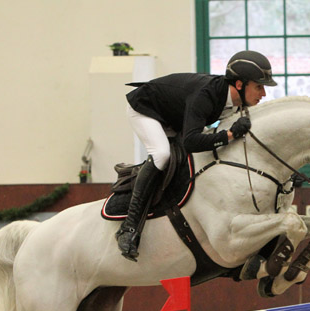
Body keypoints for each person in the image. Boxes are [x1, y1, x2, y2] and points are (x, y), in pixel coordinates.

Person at [116, 50, 278, 261]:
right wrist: (229, 135)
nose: (263, 94)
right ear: (239, 84)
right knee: (162, 155)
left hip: (174, 117)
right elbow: (191, 142)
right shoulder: (206, 95)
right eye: (258, 86)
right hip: (146, 109)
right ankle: (129, 228)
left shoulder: (236, 102)